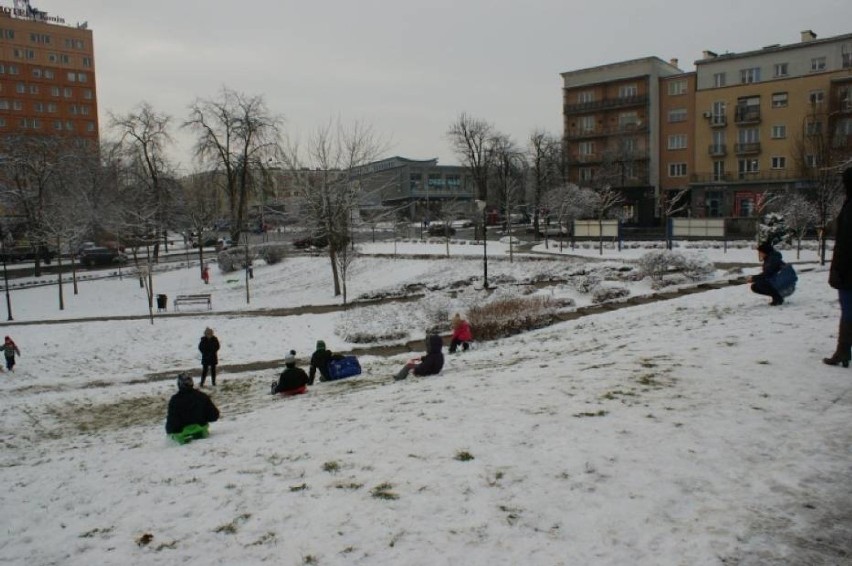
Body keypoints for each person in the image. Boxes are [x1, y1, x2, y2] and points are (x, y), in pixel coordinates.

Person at [824, 166, 852, 367]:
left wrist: (837, 270)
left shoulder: (850, 207)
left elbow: (845, 243)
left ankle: (843, 352)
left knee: (848, 311)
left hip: (848, 271)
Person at [165, 373, 220, 444]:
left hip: (182, 433)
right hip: (201, 429)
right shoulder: (202, 396)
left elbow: (172, 421)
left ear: (179, 384)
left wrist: (170, 430)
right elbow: (214, 416)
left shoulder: (175, 400)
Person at [747, 241, 785, 306]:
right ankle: (776, 297)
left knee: (760, 284)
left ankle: (778, 298)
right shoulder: (770, 258)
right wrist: (754, 278)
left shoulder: (772, 259)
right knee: (755, 286)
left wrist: (753, 278)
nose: (759, 254)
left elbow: (767, 274)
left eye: (760, 252)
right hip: (778, 279)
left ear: (765, 252)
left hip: (782, 281)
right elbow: (768, 273)